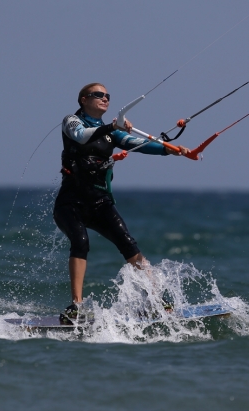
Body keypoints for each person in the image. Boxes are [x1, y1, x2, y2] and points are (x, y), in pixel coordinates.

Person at [53, 82, 190, 323]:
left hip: (100, 202)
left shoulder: (112, 133)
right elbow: (80, 136)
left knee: (128, 244)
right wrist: (111, 126)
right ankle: (76, 306)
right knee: (80, 241)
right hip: (71, 202)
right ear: (84, 100)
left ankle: (156, 301)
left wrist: (171, 150)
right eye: (98, 95)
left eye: (107, 95)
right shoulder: (71, 121)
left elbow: (140, 145)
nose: (105, 98)